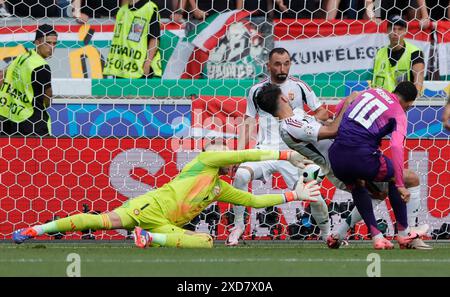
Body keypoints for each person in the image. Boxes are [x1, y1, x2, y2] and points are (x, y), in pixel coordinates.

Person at [13, 144, 320, 248]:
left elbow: (254, 201)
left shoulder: (220, 188)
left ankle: (148, 238)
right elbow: (246, 152)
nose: (237, 164)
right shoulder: (205, 161)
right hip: (149, 206)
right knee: (99, 221)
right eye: (235, 160)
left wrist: (294, 194)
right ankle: (34, 230)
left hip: (160, 225)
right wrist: (285, 154)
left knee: (207, 241)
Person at [256, 83, 431, 249]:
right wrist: (347, 103)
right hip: (337, 162)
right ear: (284, 98)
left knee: (376, 192)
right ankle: (405, 233)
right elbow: (333, 130)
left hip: (344, 153)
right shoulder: (290, 126)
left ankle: (343, 234)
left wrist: (331, 116)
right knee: (405, 179)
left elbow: (326, 124)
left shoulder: (297, 116)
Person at [226, 47, 330, 246]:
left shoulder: (300, 86)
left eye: (286, 63)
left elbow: (323, 112)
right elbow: (248, 123)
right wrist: (238, 156)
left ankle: (328, 235)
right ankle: (238, 226)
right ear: (268, 65)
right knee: (240, 175)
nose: (282, 68)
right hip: (264, 151)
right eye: (277, 64)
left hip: (293, 154)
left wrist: (306, 121)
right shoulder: (257, 90)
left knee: (313, 194)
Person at [328, 81, 428, 249]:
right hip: (361, 157)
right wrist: (400, 185)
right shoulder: (399, 113)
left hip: (336, 155)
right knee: (398, 178)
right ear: (409, 104)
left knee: (360, 187)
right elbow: (396, 146)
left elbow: (343, 104)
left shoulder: (372, 91)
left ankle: (377, 237)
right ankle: (404, 234)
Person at [0, 24, 57, 136]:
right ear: (37, 42)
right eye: (48, 43)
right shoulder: (41, 66)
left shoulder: (22, 57)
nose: (52, 47)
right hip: (32, 121)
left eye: (54, 44)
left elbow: (2, 77)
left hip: (10, 116)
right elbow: (48, 96)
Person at [103, 0, 162, 79]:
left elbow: (154, 38)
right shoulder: (122, 10)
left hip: (140, 69)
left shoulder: (150, 8)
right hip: (121, 68)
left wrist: (148, 62)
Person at [372, 15, 425, 93]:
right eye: (393, 29)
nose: (395, 33)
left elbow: (418, 81)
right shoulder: (379, 52)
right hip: (381, 101)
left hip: (403, 102)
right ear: (387, 30)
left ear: (405, 31)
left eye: (400, 29)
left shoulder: (415, 53)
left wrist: (414, 102)